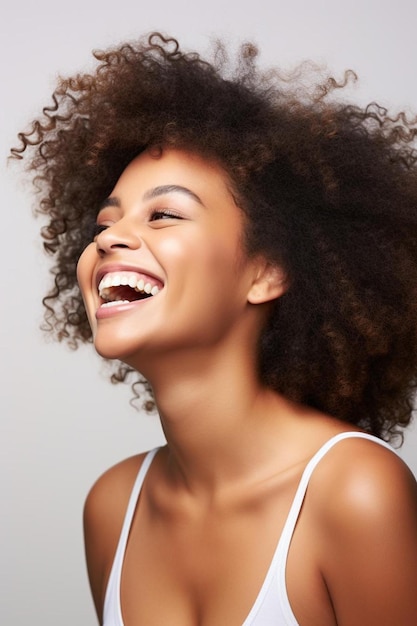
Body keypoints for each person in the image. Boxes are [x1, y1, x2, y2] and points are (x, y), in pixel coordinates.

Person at [12, 32, 417, 625]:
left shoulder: (355, 493)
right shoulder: (113, 506)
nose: (106, 239)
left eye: (165, 214)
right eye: (106, 221)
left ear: (266, 271)